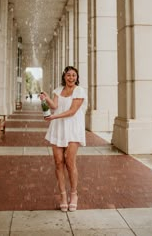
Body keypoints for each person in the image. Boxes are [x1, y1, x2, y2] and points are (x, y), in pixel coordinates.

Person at [39, 66, 87, 212]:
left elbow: (72, 111)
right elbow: (54, 106)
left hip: (73, 128)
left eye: (73, 75)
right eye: (68, 75)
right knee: (59, 162)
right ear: (64, 77)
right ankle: (63, 195)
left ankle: (74, 194)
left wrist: (54, 117)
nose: (71, 78)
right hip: (58, 128)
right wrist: (46, 98)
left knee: (70, 161)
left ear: (76, 77)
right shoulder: (58, 90)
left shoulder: (79, 91)